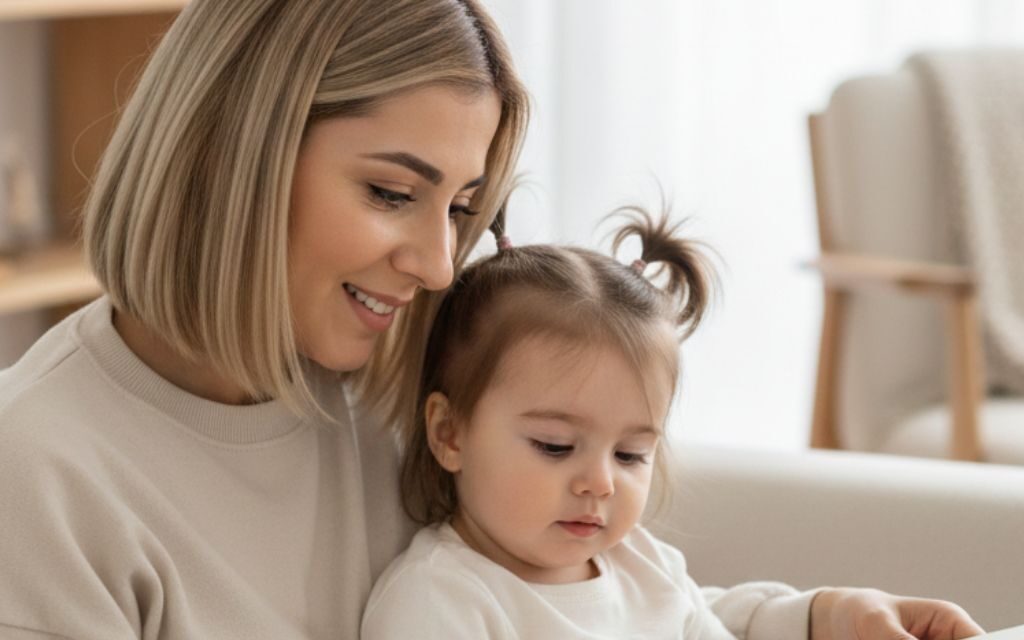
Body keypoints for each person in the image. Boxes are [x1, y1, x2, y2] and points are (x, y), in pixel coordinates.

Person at [0, 1, 984, 639]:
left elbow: (570, 606)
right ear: (231, 156)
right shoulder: (41, 472)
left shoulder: (401, 386)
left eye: (464, 209)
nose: (437, 263)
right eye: (392, 192)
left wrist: (811, 619)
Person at [361, 208, 985, 639]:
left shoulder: (641, 565)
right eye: (555, 446)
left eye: (631, 455)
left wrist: (835, 615)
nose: (600, 483)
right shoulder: (442, 600)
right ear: (450, 434)